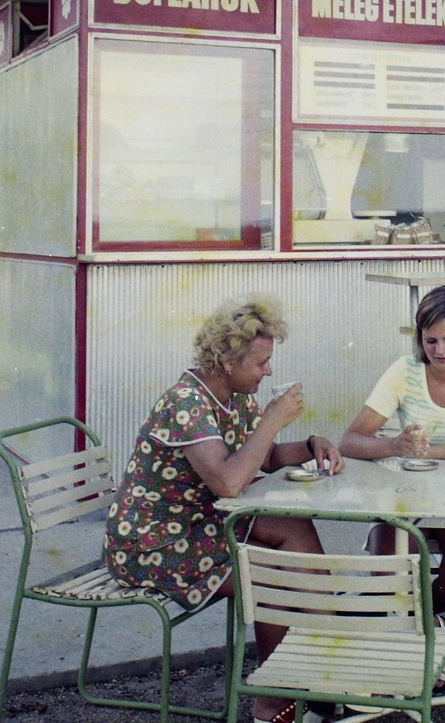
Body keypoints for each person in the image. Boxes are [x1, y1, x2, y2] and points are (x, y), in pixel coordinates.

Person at [104, 296, 345, 723]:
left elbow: (262, 457)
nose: (268, 371)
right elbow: (229, 481)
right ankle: (280, 695)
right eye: (261, 362)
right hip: (154, 543)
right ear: (229, 361)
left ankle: (319, 662)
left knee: (290, 527)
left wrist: (311, 444)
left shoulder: (232, 396)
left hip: (199, 525)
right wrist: (272, 418)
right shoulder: (186, 403)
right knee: (277, 575)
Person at [340, 286, 445, 615]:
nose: (440, 350)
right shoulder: (405, 371)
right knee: (388, 578)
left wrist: (423, 451)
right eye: (431, 340)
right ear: (419, 337)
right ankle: (413, 630)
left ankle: (412, 624)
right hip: (408, 495)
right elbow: (350, 440)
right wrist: (392, 445)